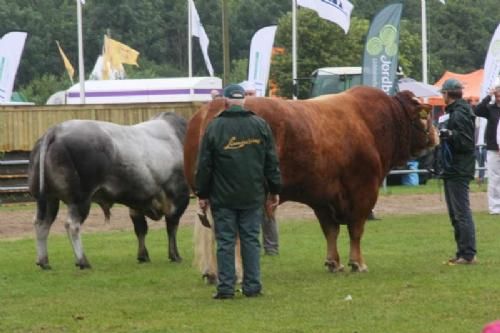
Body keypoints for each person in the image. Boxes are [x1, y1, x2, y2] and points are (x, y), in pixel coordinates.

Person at [195, 83, 282, 299]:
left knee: (225, 241)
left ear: (225, 102)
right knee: (251, 240)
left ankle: (226, 288)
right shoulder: (260, 125)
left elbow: (205, 165)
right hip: (252, 195)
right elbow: (271, 162)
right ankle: (252, 287)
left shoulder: (214, 128)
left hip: (222, 197)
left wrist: (202, 194)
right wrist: (274, 190)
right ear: (244, 101)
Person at [438, 78, 477, 265]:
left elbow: (466, 142)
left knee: (461, 212)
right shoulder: (454, 112)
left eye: (442, 93)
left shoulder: (460, 113)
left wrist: (450, 135)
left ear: (447, 94)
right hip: (452, 167)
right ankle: (463, 252)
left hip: (459, 168)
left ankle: (468, 254)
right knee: (456, 213)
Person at [475, 85, 500, 213]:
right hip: (493, 148)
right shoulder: (490, 109)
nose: (498, 97)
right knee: (494, 178)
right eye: (497, 95)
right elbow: (477, 111)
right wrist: (488, 96)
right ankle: (495, 207)